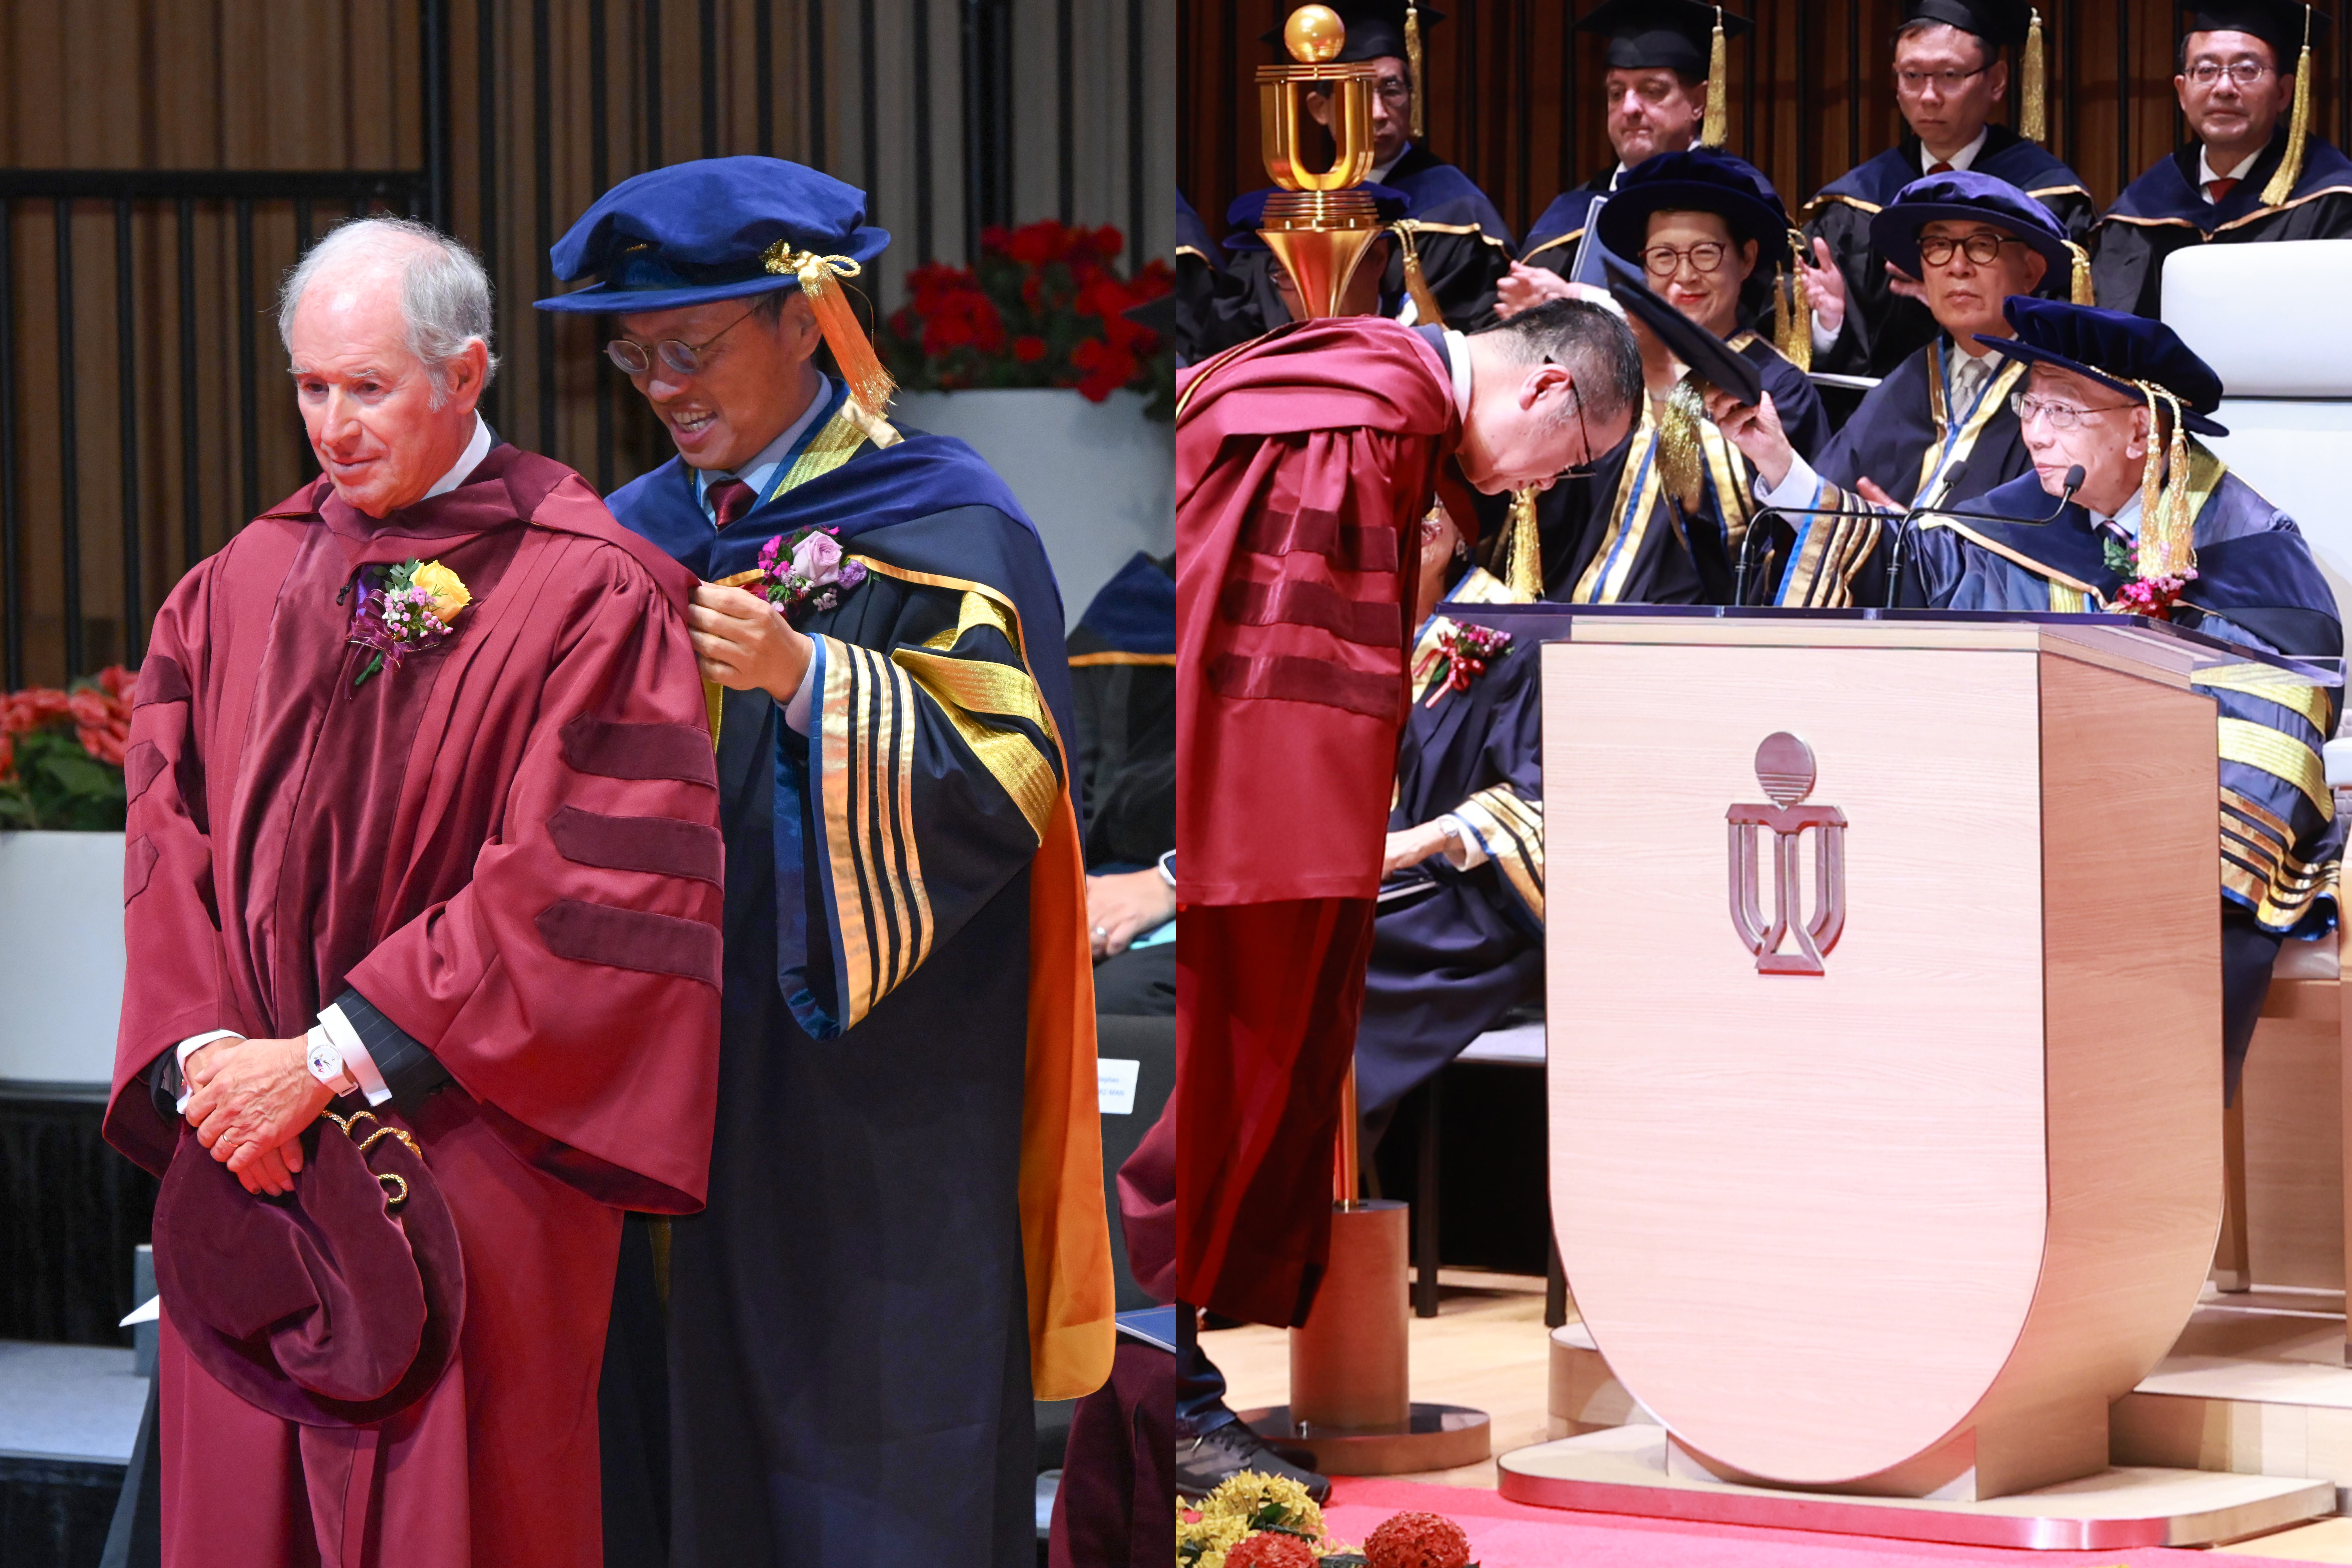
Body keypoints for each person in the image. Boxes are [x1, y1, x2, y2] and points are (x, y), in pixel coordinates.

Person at [105, 216, 725, 1566]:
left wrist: (328, 1059)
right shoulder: (235, 584)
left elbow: (582, 885)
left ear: (467, 373)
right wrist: (211, 1059)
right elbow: (168, 845)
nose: (332, 425)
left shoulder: (590, 592)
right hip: (250, 1152)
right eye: (311, 387)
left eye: (367, 387)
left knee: (460, 1509)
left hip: (462, 1142)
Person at [536, 156, 1114, 1568]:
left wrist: (812, 681)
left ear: (807, 319)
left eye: (691, 347)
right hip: (674, 1074)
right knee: (682, 1442)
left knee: (867, 1436)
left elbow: (1017, 777)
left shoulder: (944, 525)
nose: (661, 383)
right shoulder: (625, 538)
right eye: (632, 354)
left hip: (876, 1094)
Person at [1713, 297, 2341, 1100]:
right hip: (2014, 836)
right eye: (2029, 405)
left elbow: (2274, 736)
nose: (2035, 432)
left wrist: (2129, 849)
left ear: (2143, 430)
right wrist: (1778, 466)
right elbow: (1908, 571)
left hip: (2165, 861)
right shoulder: (2020, 522)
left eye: (2062, 410)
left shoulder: (2249, 550)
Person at [1175, 298, 1643, 1328]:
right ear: (1547, 387)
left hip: (1272, 825)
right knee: (1242, 1063)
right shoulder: (1368, 424)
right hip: (1262, 833)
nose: (1542, 484)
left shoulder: (1372, 387)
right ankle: (1182, 1383)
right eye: (1564, 459)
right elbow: (1286, 678)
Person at [1730, 171, 2080, 604]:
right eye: (1937, 246)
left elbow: (2046, 556)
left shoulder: (2065, 400)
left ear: (2030, 271)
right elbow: (1820, 510)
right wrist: (1777, 461)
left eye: (1983, 245)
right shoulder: (1908, 383)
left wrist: (1915, 540)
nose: (1957, 265)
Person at [1800, 0, 2094, 379]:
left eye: (1950, 75)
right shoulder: (1855, 202)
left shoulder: (2047, 198)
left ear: (1998, 81)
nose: (1928, 96)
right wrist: (1831, 322)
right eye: (1912, 76)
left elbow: (2072, 333)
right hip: (1881, 420)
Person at [1595, 147, 1834, 599]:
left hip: (1699, 634)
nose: (1684, 276)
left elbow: (1767, 544)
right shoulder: (1618, 373)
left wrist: (1669, 390)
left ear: (1745, 259)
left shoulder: (1775, 389)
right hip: (1580, 617)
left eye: (1706, 254)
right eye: (1663, 256)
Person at [2092, 1, 2352, 319]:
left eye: (2247, 70)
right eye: (2206, 71)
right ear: (2182, 93)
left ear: (2285, 93)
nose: (2224, 88)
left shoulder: (2333, 202)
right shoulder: (2140, 211)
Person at [1284, 0, 1516, 329]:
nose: (1379, 113)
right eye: (1358, 92)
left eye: (1392, 91)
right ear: (1320, 108)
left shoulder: (1457, 215)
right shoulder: (1290, 216)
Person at [1508, 0, 1754, 304]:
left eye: (1652, 91)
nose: (1630, 108)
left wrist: (1578, 297)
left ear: (1700, 102)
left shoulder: (1741, 200)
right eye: (1616, 93)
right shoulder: (1569, 214)